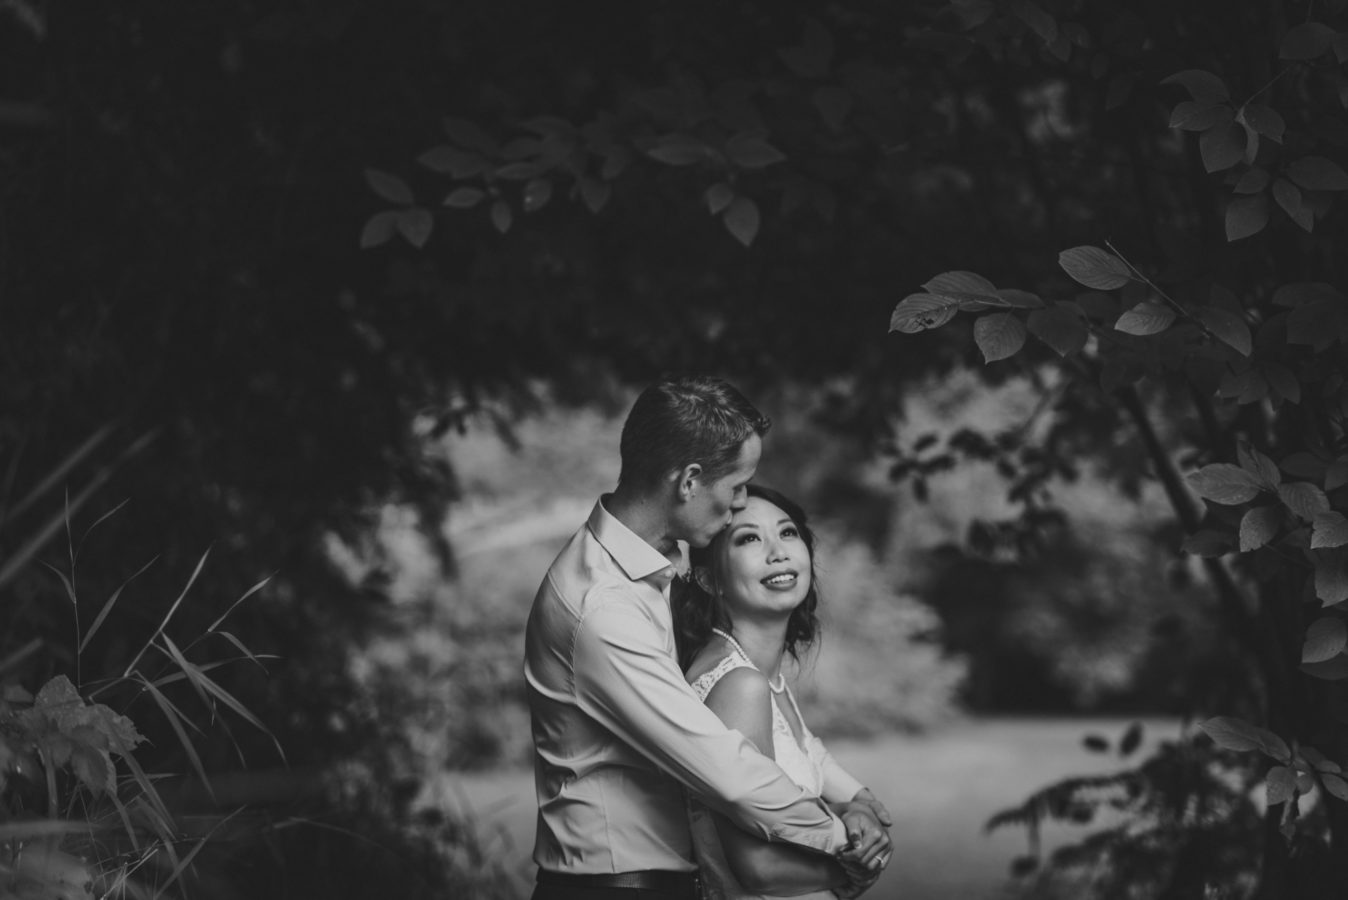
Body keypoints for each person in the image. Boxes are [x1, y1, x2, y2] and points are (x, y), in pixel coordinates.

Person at [524, 376, 891, 900]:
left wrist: (856, 800)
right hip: (615, 889)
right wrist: (848, 845)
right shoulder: (603, 607)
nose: (741, 501)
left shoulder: (649, 572)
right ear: (689, 481)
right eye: (738, 484)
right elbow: (727, 770)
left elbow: (791, 745)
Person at [672, 484, 892, 899]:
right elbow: (760, 868)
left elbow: (793, 802)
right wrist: (859, 868)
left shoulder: (763, 677)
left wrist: (855, 807)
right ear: (707, 578)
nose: (778, 551)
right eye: (749, 538)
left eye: (788, 532)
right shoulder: (739, 686)